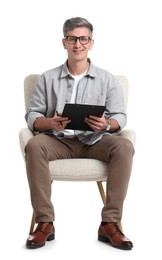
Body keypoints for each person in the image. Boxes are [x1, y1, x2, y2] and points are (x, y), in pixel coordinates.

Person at [24, 17, 135, 250]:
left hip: (94, 141)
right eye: (72, 39)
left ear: (91, 43)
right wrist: (50, 123)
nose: (78, 44)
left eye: (83, 39)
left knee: (124, 146)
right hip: (58, 141)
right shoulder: (47, 78)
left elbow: (121, 117)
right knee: (34, 146)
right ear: (63, 42)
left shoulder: (107, 79)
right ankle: (45, 223)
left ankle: (110, 223)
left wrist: (107, 124)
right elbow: (32, 116)